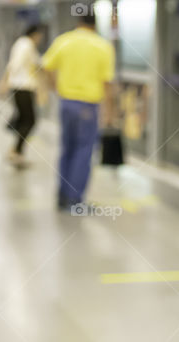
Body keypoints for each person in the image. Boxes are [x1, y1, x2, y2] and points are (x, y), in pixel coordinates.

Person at [41, 12, 116, 210]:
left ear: (79, 22)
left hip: (66, 103)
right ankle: (75, 200)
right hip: (88, 106)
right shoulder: (102, 46)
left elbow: (46, 65)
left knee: (67, 148)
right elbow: (107, 83)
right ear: (95, 25)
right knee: (83, 151)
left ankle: (62, 196)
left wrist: (54, 86)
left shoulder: (63, 41)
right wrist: (109, 112)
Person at [0, 23, 47, 167]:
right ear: (35, 33)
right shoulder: (25, 44)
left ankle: (16, 150)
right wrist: (5, 81)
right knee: (30, 120)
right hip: (23, 87)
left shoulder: (23, 44)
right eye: (40, 35)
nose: (40, 38)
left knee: (24, 119)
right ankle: (16, 151)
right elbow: (15, 64)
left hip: (21, 86)